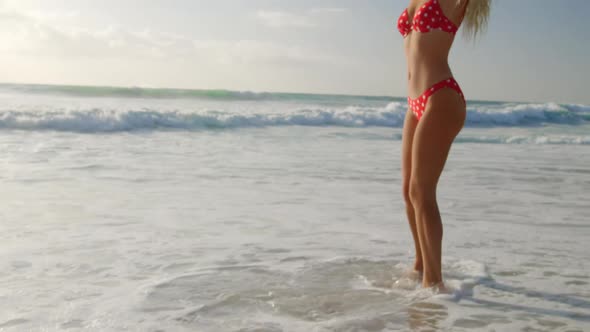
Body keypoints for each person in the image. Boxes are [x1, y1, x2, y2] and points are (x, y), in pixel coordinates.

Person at [399, 0, 491, 288]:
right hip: (415, 103)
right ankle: (420, 264)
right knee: (408, 190)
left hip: (441, 97)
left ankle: (434, 283)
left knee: (421, 190)